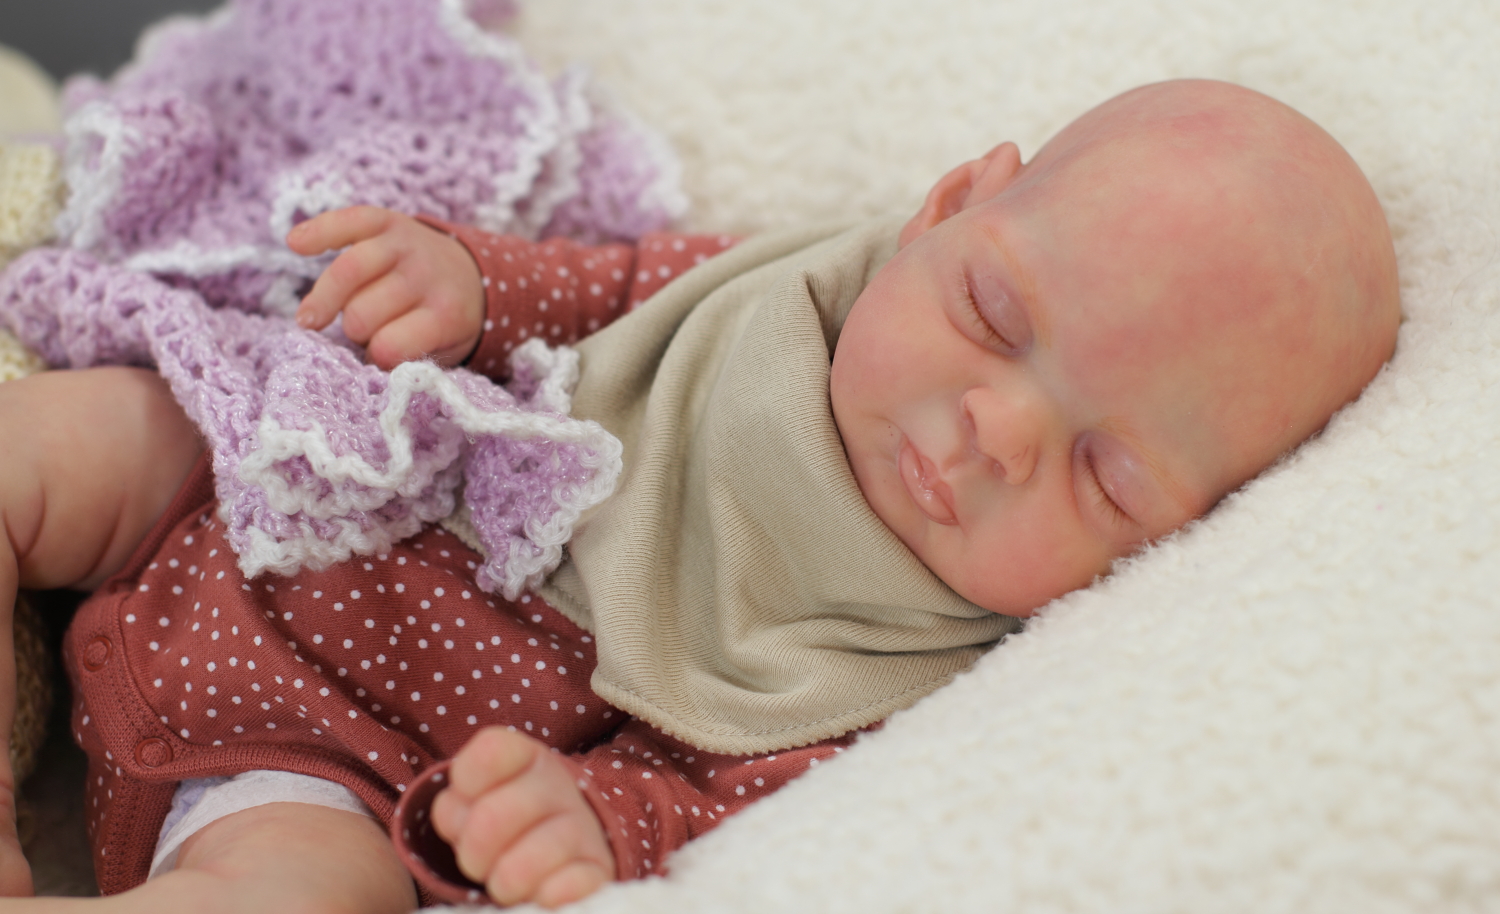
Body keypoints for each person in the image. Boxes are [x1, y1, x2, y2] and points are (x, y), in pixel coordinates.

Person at [0, 79, 1399, 910]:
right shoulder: (802, 280)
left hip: (325, 762)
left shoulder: (909, 670)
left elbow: (730, 798)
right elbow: (605, 292)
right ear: (951, 207)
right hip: (309, 478)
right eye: (993, 315)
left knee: (294, 898)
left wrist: (581, 824)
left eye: (1105, 474)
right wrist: (466, 282)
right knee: (64, 436)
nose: (999, 429)